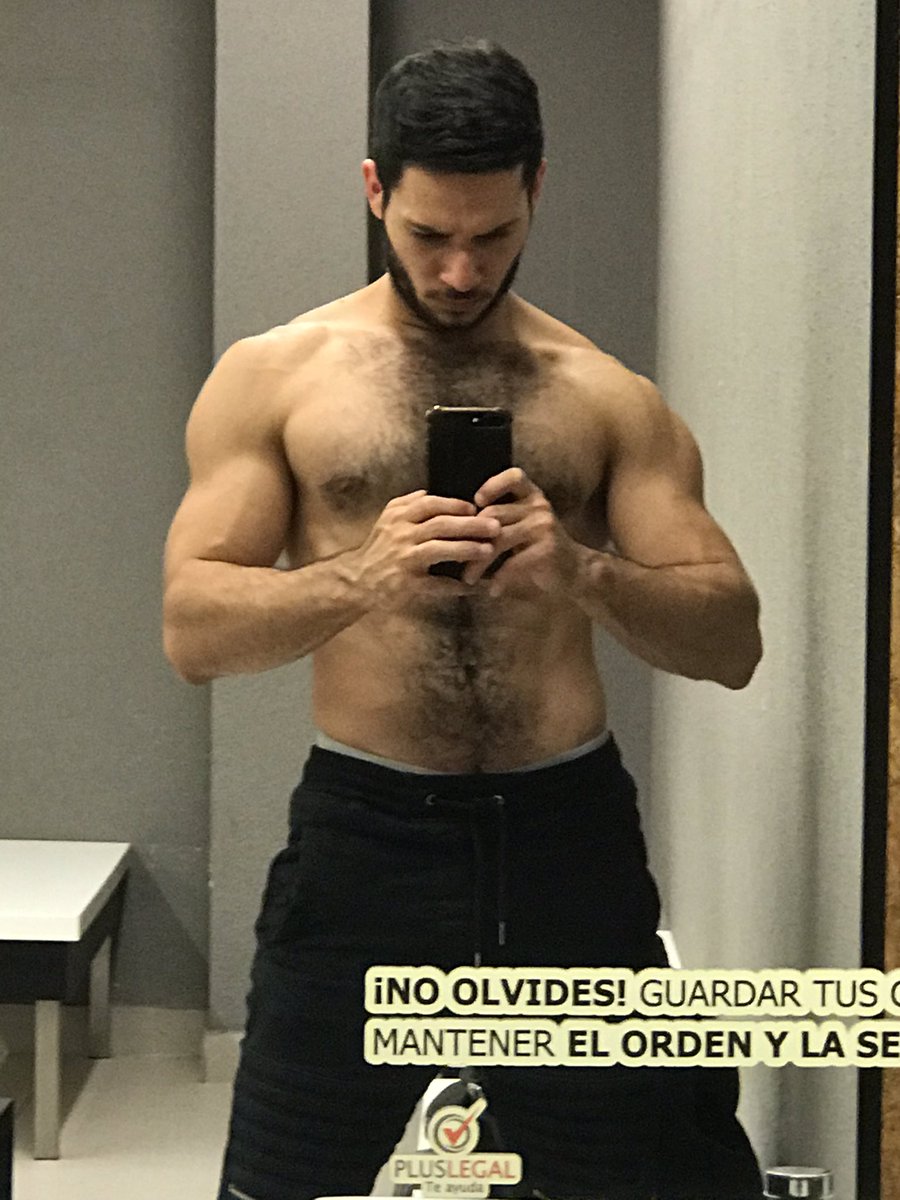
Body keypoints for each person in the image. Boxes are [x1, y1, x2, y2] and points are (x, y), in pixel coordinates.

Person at [163, 39, 763, 1200]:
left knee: (637, 1179)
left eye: (491, 236)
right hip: (366, 837)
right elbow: (192, 630)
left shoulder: (605, 394)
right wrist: (363, 578)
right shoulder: (275, 378)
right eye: (429, 233)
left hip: (566, 841)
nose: (457, 270)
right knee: (287, 1179)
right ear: (375, 189)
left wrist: (583, 573)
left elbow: (731, 639)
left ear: (535, 189)